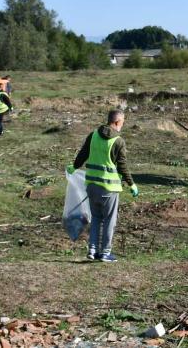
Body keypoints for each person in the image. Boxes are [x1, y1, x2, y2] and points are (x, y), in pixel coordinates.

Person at [69, 110, 138, 263]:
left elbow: (83, 154)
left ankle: (92, 250)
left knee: (96, 218)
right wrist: (131, 184)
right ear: (118, 122)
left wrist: (74, 167)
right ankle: (105, 252)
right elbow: (122, 166)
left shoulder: (93, 135)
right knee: (109, 220)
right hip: (109, 188)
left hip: (92, 185)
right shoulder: (118, 141)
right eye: (123, 122)